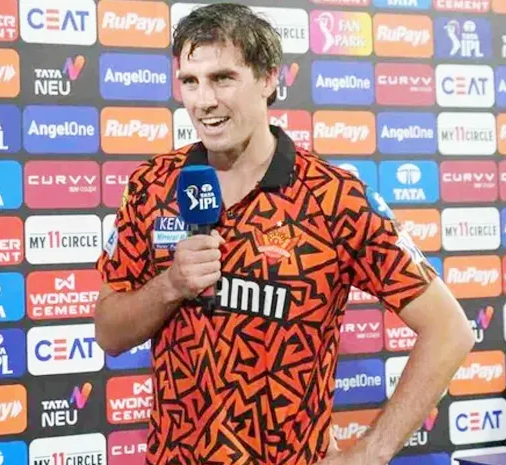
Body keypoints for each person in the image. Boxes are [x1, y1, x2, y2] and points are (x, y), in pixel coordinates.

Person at [94, 4, 475, 465]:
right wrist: (170, 285)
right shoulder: (152, 185)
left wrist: (370, 453)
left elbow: (449, 330)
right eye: (190, 81)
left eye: (223, 78)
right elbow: (109, 332)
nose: (203, 100)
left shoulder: (334, 195)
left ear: (269, 78)